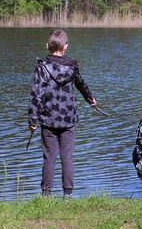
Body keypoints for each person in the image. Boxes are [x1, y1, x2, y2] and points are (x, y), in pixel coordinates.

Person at [28, 29, 97, 197]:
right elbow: (81, 85)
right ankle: (68, 194)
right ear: (66, 46)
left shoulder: (42, 68)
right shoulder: (72, 67)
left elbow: (36, 94)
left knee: (49, 157)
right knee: (67, 157)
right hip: (68, 120)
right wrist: (90, 99)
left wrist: (33, 120)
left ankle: (46, 195)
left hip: (48, 120)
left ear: (47, 46)